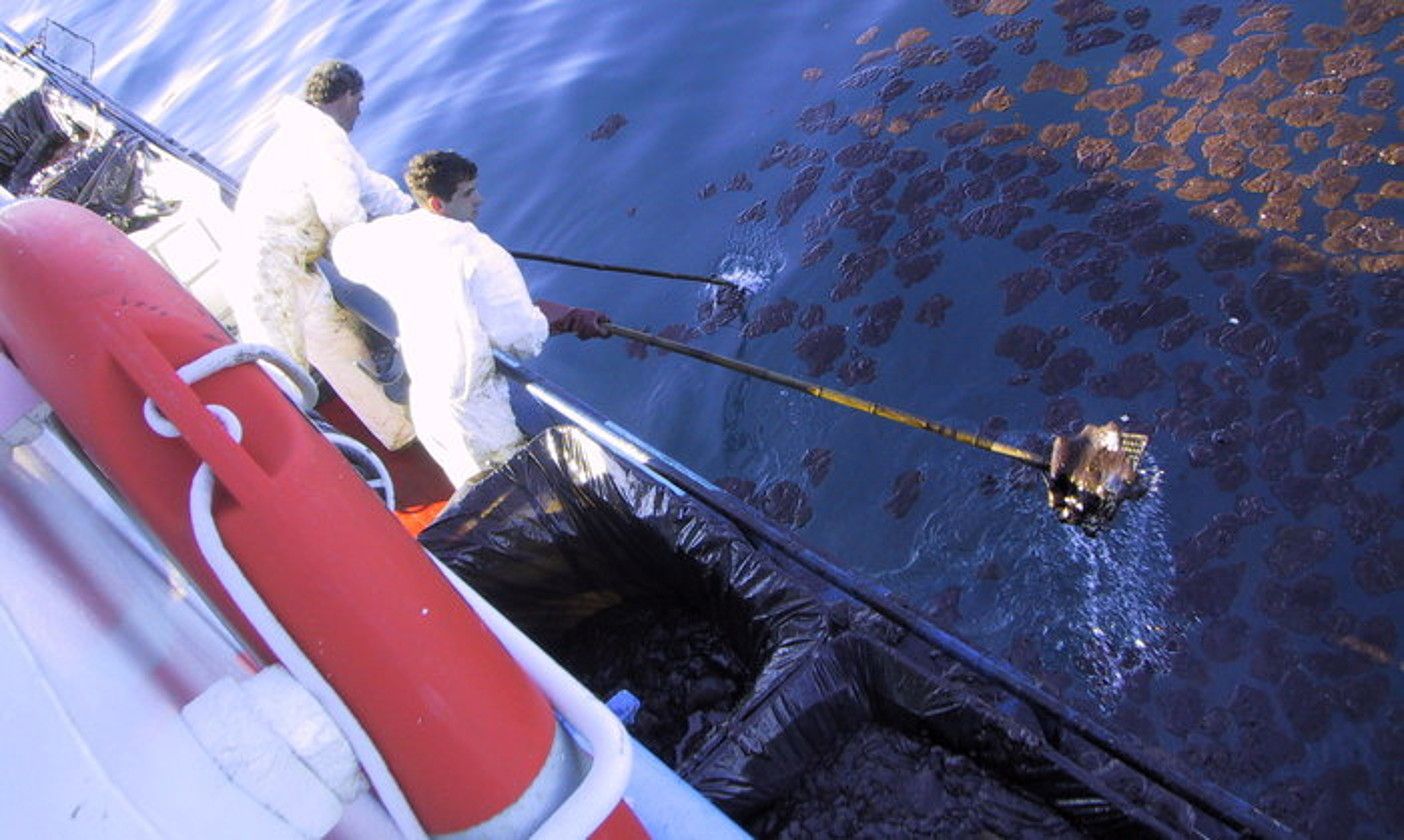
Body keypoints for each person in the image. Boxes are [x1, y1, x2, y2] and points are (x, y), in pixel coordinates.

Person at [330, 149, 609, 487]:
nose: (480, 199)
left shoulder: (388, 235)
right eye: (467, 193)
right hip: (475, 409)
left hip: (428, 403)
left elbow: (343, 251)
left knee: (476, 493)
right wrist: (562, 318)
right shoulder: (482, 253)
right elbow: (522, 340)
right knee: (517, 493)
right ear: (437, 204)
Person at [227, 60, 416, 449]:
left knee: (338, 349)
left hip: (294, 267)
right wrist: (386, 270)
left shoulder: (313, 135)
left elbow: (369, 186)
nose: (360, 111)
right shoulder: (322, 141)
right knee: (284, 377)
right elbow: (342, 216)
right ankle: (293, 459)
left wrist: (415, 217)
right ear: (344, 95)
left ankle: (398, 434)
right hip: (268, 274)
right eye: (359, 100)